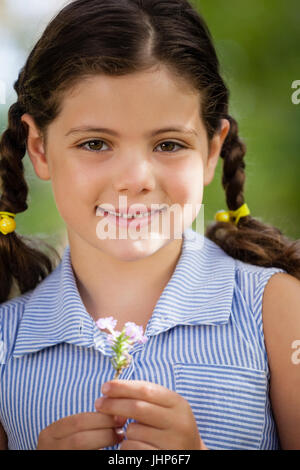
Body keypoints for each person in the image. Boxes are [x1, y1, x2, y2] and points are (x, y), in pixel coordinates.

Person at [0, 0, 300, 451]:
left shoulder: (276, 312)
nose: (135, 180)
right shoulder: (7, 340)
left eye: (169, 143)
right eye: (96, 143)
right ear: (40, 148)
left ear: (212, 150)